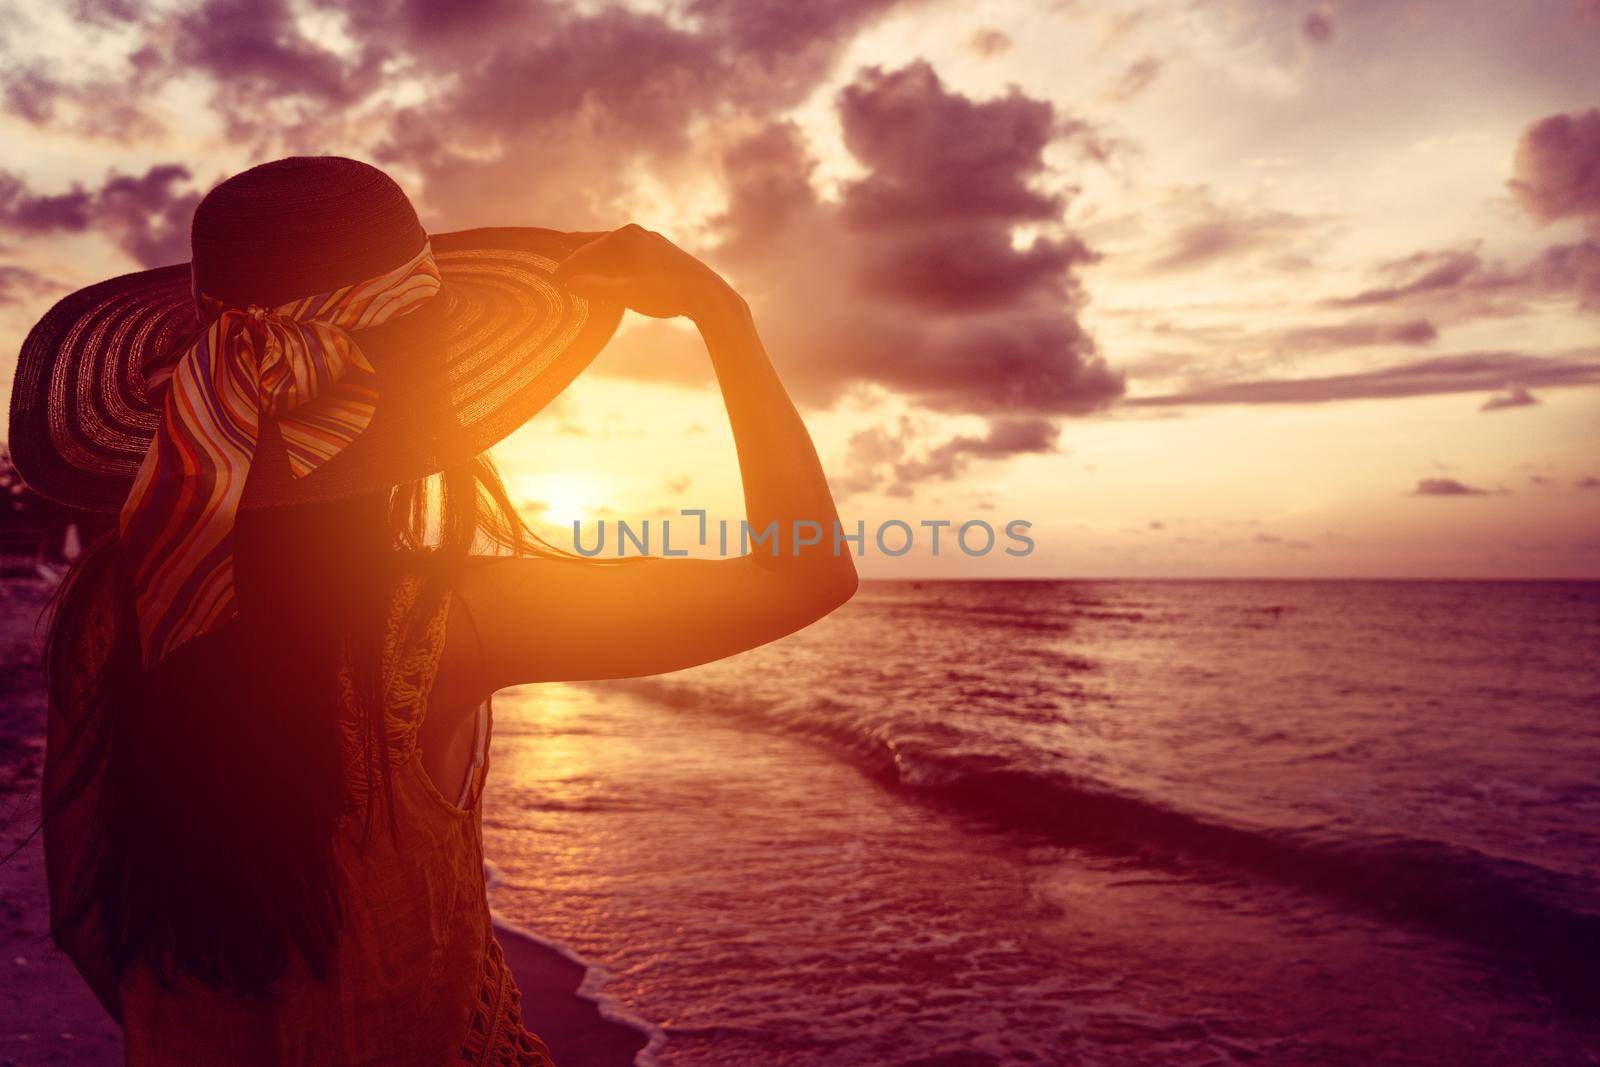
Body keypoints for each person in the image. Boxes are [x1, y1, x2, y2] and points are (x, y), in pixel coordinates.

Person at [10, 156, 857, 1065]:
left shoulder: (108, 609)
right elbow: (803, 575)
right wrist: (723, 316)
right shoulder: (436, 621)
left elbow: (83, 924)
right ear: (421, 381)